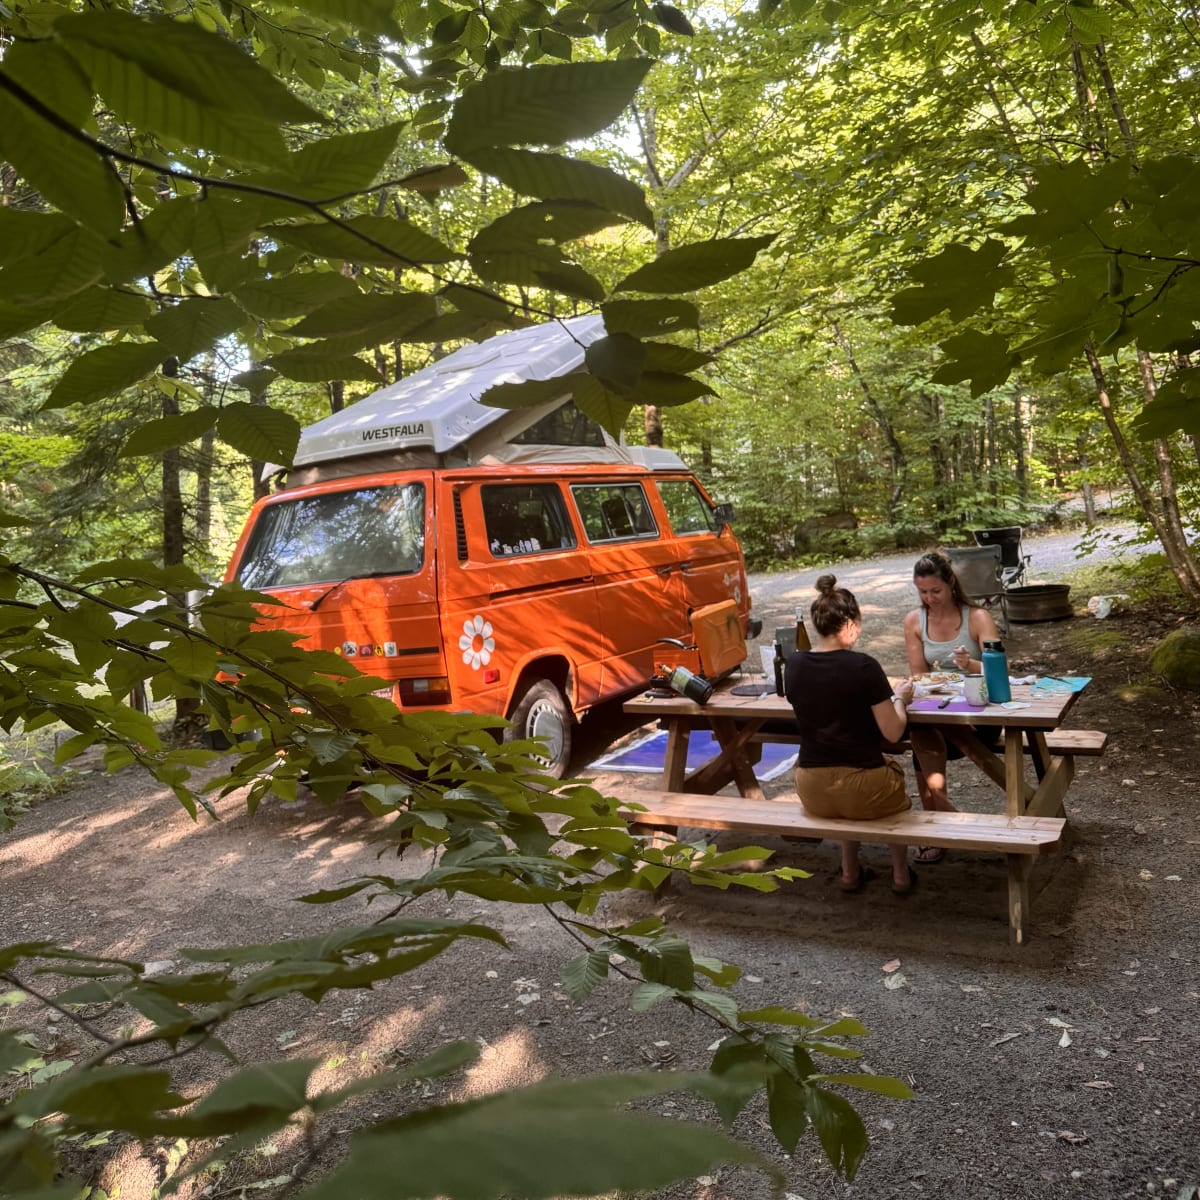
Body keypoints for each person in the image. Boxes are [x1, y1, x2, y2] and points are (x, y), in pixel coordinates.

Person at [785, 574, 916, 894]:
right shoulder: (863, 667)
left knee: (844, 789)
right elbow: (894, 731)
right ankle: (900, 875)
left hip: (811, 788)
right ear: (851, 623)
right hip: (864, 787)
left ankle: (849, 872)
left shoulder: (794, 664)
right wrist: (901, 698)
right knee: (892, 795)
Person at [902, 550, 1000, 862]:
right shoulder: (914, 621)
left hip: (979, 716)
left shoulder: (978, 617)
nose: (930, 598)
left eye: (936, 591)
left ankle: (941, 823)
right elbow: (919, 675)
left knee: (922, 735)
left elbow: (999, 673)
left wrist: (969, 663)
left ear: (951, 584)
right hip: (940, 712)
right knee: (919, 730)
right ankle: (940, 823)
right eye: (923, 592)